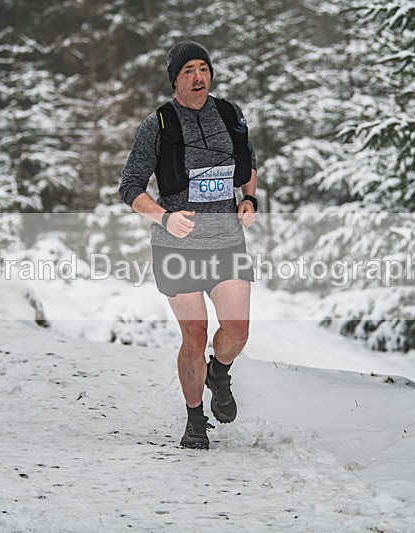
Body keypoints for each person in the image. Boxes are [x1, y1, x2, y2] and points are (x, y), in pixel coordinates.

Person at [118, 41, 258, 449]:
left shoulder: (230, 114)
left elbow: (247, 164)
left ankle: (220, 372)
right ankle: (195, 418)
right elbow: (129, 186)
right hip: (176, 245)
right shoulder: (158, 124)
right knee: (195, 333)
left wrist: (249, 199)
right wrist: (163, 215)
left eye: (203, 68)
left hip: (227, 241)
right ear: (175, 80)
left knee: (237, 331)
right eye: (188, 71)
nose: (198, 77)